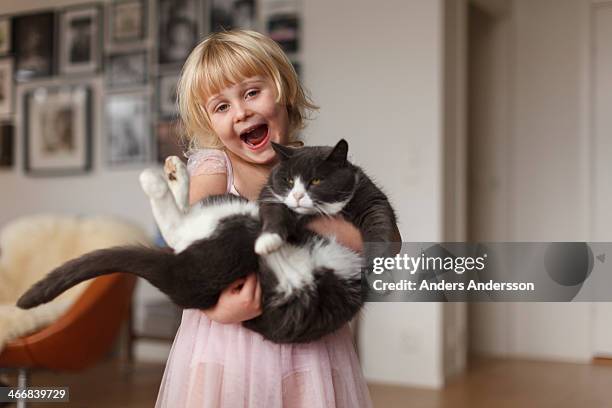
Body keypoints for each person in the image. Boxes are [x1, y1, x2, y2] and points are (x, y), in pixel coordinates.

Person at [155, 30, 385, 408]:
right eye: (221, 106)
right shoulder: (215, 165)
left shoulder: (315, 167)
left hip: (311, 342)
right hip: (230, 345)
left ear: (284, 90)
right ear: (208, 122)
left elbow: (382, 244)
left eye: (250, 92)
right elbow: (196, 240)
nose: (241, 112)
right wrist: (215, 306)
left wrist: (340, 232)